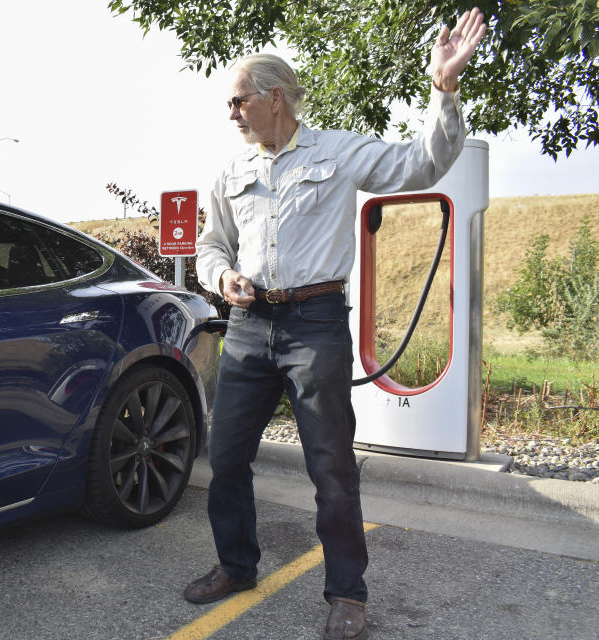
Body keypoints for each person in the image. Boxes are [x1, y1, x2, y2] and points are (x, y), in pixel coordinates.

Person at [186, 8, 487, 639]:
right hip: (247, 327)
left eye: (238, 101)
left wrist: (444, 88)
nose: (231, 113)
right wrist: (221, 278)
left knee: (329, 463)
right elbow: (211, 245)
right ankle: (237, 565)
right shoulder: (230, 171)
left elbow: (421, 166)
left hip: (314, 323)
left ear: (274, 98)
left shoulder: (339, 151)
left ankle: (347, 592)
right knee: (225, 454)